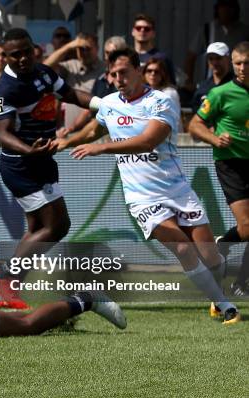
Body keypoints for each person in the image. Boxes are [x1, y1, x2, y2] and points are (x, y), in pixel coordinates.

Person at [58, 48, 240, 324]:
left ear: (138, 70)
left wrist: (102, 148)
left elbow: (147, 141)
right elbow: (94, 130)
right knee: (181, 248)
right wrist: (66, 141)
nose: (119, 78)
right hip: (141, 197)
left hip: (176, 189)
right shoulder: (109, 104)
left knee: (209, 254)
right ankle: (226, 306)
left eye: (124, 72)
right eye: (114, 74)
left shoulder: (161, 101)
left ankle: (216, 294)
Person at [0, 28, 101, 309]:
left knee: (38, 228)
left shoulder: (44, 73)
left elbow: (72, 94)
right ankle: (5, 280)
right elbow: (2, 133)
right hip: (22, 165)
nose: (23, 58)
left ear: (34, 48)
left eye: (27, 51)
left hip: (41, 160)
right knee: (58, 226)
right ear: (5, 57)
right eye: (16, 55)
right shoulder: (5, 89)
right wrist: (30, 150)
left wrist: (106, 104)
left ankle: (5, 282)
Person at [188, 41, 249, 296]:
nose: (243, 68)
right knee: (247, 227)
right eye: (238, 63)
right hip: (231, 163)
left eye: (247, 63)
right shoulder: (220, 93)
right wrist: (214, 139)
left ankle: (242, 284)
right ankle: (222, 244)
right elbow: (194, 125)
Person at [45, 32, 106, 138]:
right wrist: (69, 46)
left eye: (88, 48)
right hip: (68, 134)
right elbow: (45, 67)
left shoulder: (106, 70)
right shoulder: (71, 66)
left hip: (93, 135)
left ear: (97, 48)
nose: (84, 52)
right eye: (81, 49)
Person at [184, 0, 248, 90]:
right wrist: (189, 81)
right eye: (223, 7)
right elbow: (191, 56)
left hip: (237, 84)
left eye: (230, 7)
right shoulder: (207, 30)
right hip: (212, 83)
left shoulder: (244, 32)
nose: (226, 11)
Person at [131, 14, 176, 85]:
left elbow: (170, 85)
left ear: (153, 33)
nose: (142, 31)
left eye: (147, 29)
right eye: (138, 28)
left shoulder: (162, 58)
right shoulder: (126, 57)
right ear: (133, 31)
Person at [191, 42, 233, 113]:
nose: (214, 62)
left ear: (228, 58)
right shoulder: (203, 87)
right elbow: (196, 113)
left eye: (218, 58)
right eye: (211, 59)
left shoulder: (237, 84)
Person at [142, 58, 181, 130]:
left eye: (157, 71)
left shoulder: (170, 93)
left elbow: (174, 119)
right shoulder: (141, 93)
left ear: (163, 74)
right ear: (144, 74)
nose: (153, 74)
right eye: (149, 71)